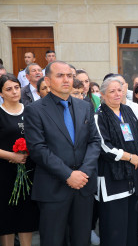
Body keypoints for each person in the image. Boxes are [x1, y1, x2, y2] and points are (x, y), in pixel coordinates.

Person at [23, 60, 101, 246]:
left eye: (69, 76)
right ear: (48, 81)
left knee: (81, 240)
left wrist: (84, 172)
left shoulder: (85, 107)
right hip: (53, 188)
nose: (66, 80)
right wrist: (68, 174)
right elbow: (38, 149)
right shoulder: (35, 110)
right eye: (60, 76)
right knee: (53, 240)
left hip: (83, 186)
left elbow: (94, 141)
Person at [94, 76, 138, 246]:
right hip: (111, 180)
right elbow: (104, 147)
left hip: (131, 177)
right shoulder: (99, 116)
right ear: (102, 94)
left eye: (119, 90)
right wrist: (130, 157)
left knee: (131, 227)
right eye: (112, 91)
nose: (117, 94)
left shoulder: (128, 110)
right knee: (114, 228)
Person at [0, 73, 39, 246]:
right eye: (9, 89)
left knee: (26, 215)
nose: (15, 92)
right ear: (1, 93)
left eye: (16, 87)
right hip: (4, 172)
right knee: (6, 216)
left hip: (29, 170)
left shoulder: (30, 110)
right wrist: (12, 156)